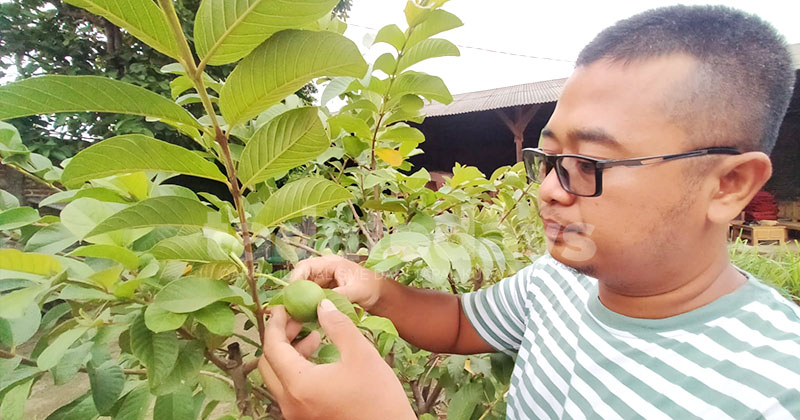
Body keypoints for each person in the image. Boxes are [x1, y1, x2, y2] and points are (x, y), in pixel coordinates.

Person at [259, 5, 800, 419]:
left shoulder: (774, 391)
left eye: (587, 164)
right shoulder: (560, 279)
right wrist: (376, 290)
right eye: (550, 158)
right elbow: (459, 323)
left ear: (728, 185)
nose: (547, 192)